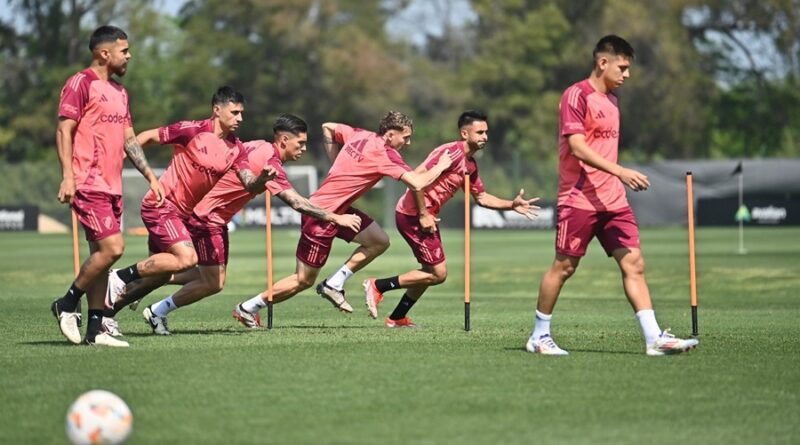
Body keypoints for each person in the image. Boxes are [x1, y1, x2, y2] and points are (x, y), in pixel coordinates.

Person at [105, 114, 360, 334]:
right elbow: (296, 202)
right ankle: (151, 305)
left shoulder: (256, 146)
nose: (303, 148)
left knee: (197, 275)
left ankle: (143, 289)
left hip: (212, 218)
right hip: (207, 219)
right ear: (284, 140)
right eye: (300, 143)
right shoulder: (269, 161)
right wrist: (336, 218)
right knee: (212, 282)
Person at [524, 35, 698, 356]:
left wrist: (616, 179)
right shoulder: (575, 95)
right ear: (603, 62)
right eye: (623, 67)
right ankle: (539, 335)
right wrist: (620, 171)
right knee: (564, 267)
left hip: (614, 202)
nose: (627, 74)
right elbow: (577, 147)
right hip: (579, 200)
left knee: (635, 265)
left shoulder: (614, 100)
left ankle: (653, 339)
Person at [233, 111, 453, 326]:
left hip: (340, 210)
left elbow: (327, 126)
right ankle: (248, 307)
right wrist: (442, 166)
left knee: (379, 241)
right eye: (405, 137)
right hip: (320, 215)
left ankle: (334, 283)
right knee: (303, 280)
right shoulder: (386, 154)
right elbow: (417, 183)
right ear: (390, 134)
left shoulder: (360, 135)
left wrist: (336, 163)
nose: (409, 142)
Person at [102, 86, 277, 336]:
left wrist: (262, 180)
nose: (240, 118)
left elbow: (249, 182)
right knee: (188, 259)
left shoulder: (236, 149)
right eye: (235, 112)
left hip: (180, 216)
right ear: (217, 110)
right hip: (160, 206)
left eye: (242, 113)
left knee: (158, 276)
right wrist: (116, 161)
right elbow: (147, 137)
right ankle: (118, 276)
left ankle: (105, 315)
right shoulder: (191, 130)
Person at [364, 110, 540, 327]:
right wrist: (423, 214)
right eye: (480, 132)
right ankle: (378, 286)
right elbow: (416, 180)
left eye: (486, 132)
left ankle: (398, 317)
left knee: (429, 272)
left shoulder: (471, 165)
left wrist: (511, 205)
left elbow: (482, 198)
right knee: (438, 274)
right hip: (413, 215)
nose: (485, 136)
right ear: (464, 134)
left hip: (427, 217)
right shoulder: (449, 152)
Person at [50, 25, 163, 347]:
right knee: (114, 248)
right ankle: (68, 303)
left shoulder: (121, 92)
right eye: (124, 50)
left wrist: (150, 176)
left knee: (103, 255)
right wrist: (68, 176)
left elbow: (129, 140)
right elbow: (63, 131)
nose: (129, 56)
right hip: (87, 181)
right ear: (104, 53)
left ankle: (95, 329)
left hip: (111, 186)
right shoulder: (80, 83)